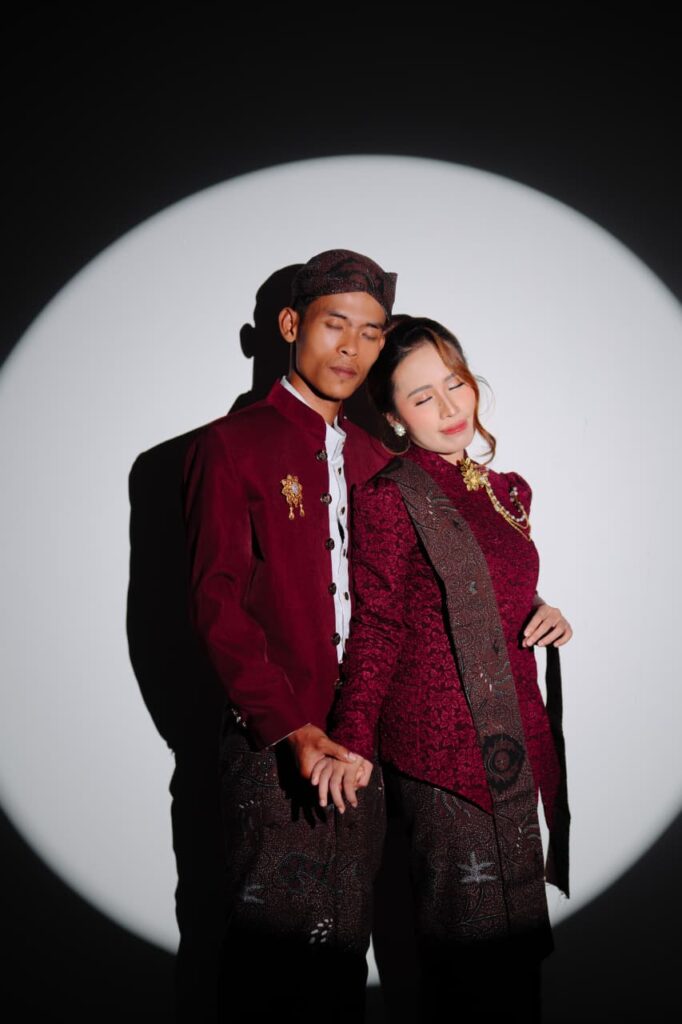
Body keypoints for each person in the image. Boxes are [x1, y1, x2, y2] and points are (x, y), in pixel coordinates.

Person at [312, 315, 572, 1023]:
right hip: (443, 757)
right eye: (422, 396)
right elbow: (378, 626)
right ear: (395, 416)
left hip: (513, 742)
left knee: (516, 959)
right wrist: (352, 741)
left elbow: (486, 583)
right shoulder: (390, 496)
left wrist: (545, 608)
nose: (450, 407)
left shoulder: (506, 492)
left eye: (455, 384)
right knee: (469, 965)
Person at [182, 249, 396, 1022]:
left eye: (371, 332)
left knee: (343, 952)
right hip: (272, 746)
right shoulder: (230, 445)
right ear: (288, 325)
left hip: (364, 751)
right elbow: (217, 606)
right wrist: (292, 729)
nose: (351, 348)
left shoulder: (381, 460)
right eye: (335, 324)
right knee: (269, 964)